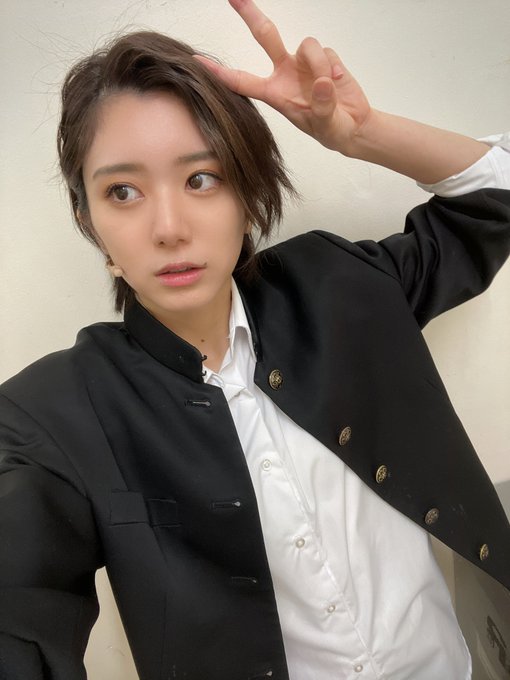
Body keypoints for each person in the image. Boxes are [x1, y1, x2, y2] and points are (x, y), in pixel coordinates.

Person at [0, 0, 509, 678]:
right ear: (88, 218)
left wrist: (361, 133)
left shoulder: (339, 287)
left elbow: (496, 199)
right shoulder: (51, 416)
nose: (169, 227)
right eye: (122, 191)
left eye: (201, 178)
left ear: (246, 192)